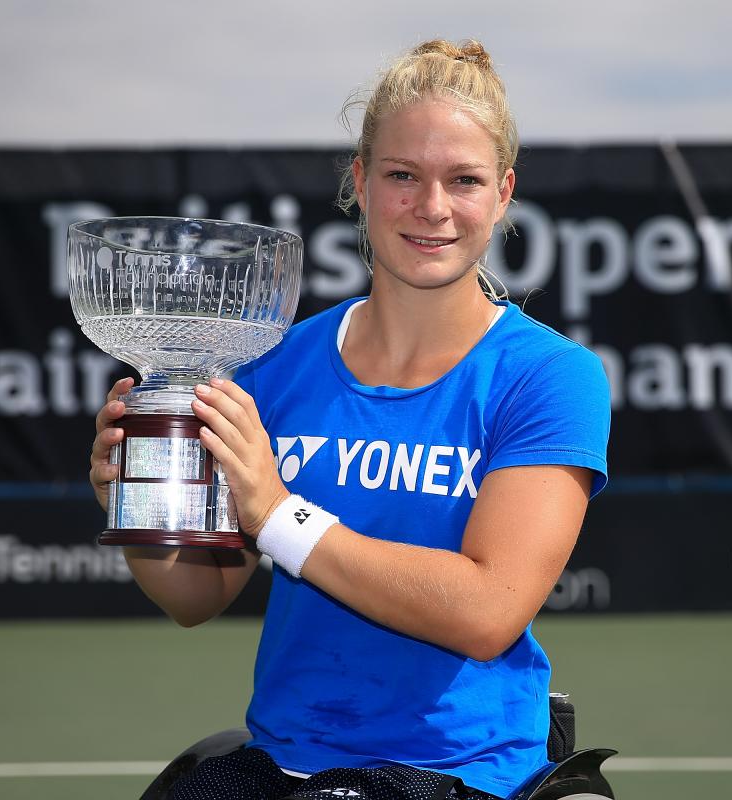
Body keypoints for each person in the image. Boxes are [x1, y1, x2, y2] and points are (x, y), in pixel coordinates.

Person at [89, 39, 610, 800]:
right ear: (361, 183)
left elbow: (487, 612)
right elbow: (197, 597)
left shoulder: (549, 375)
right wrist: (135, 499)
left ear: (502, 194)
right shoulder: (274, 365)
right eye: (402, 175)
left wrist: (277, 514)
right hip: (282, 757)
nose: (431, 208)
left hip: (456, 771)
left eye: (463, 180)